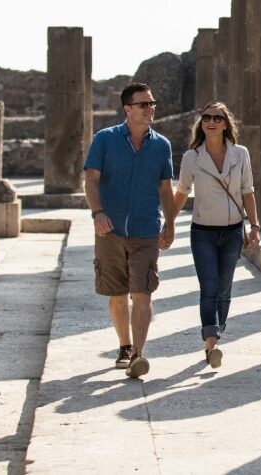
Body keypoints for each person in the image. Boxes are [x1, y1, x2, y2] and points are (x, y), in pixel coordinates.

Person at [84, 82, 175, 379]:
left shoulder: (162, 145)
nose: (150, 108)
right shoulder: (104, 140)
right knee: (117, 294)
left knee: (143, 292)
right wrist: (97, 213)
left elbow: (165, 188)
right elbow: (91, 180)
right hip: (109, 230)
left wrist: (170, 223)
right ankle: (124, 345)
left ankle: (138, 353)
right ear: (127, 109)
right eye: (143, 104)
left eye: (152, 103)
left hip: (146, 229)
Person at [170, 101, 260, 368]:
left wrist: (255, 227)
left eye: (217, 118)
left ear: (225, 123)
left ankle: (214, 335)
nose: (211, 122)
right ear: (201, 123)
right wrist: (168, 223)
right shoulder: (192, 157)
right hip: (203, 233)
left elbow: (248, 191)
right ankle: (212, 343)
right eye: (206, 117)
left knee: (224, 290)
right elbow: (182, 192)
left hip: (232, 232)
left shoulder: (240, 154)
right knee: (208, 289)